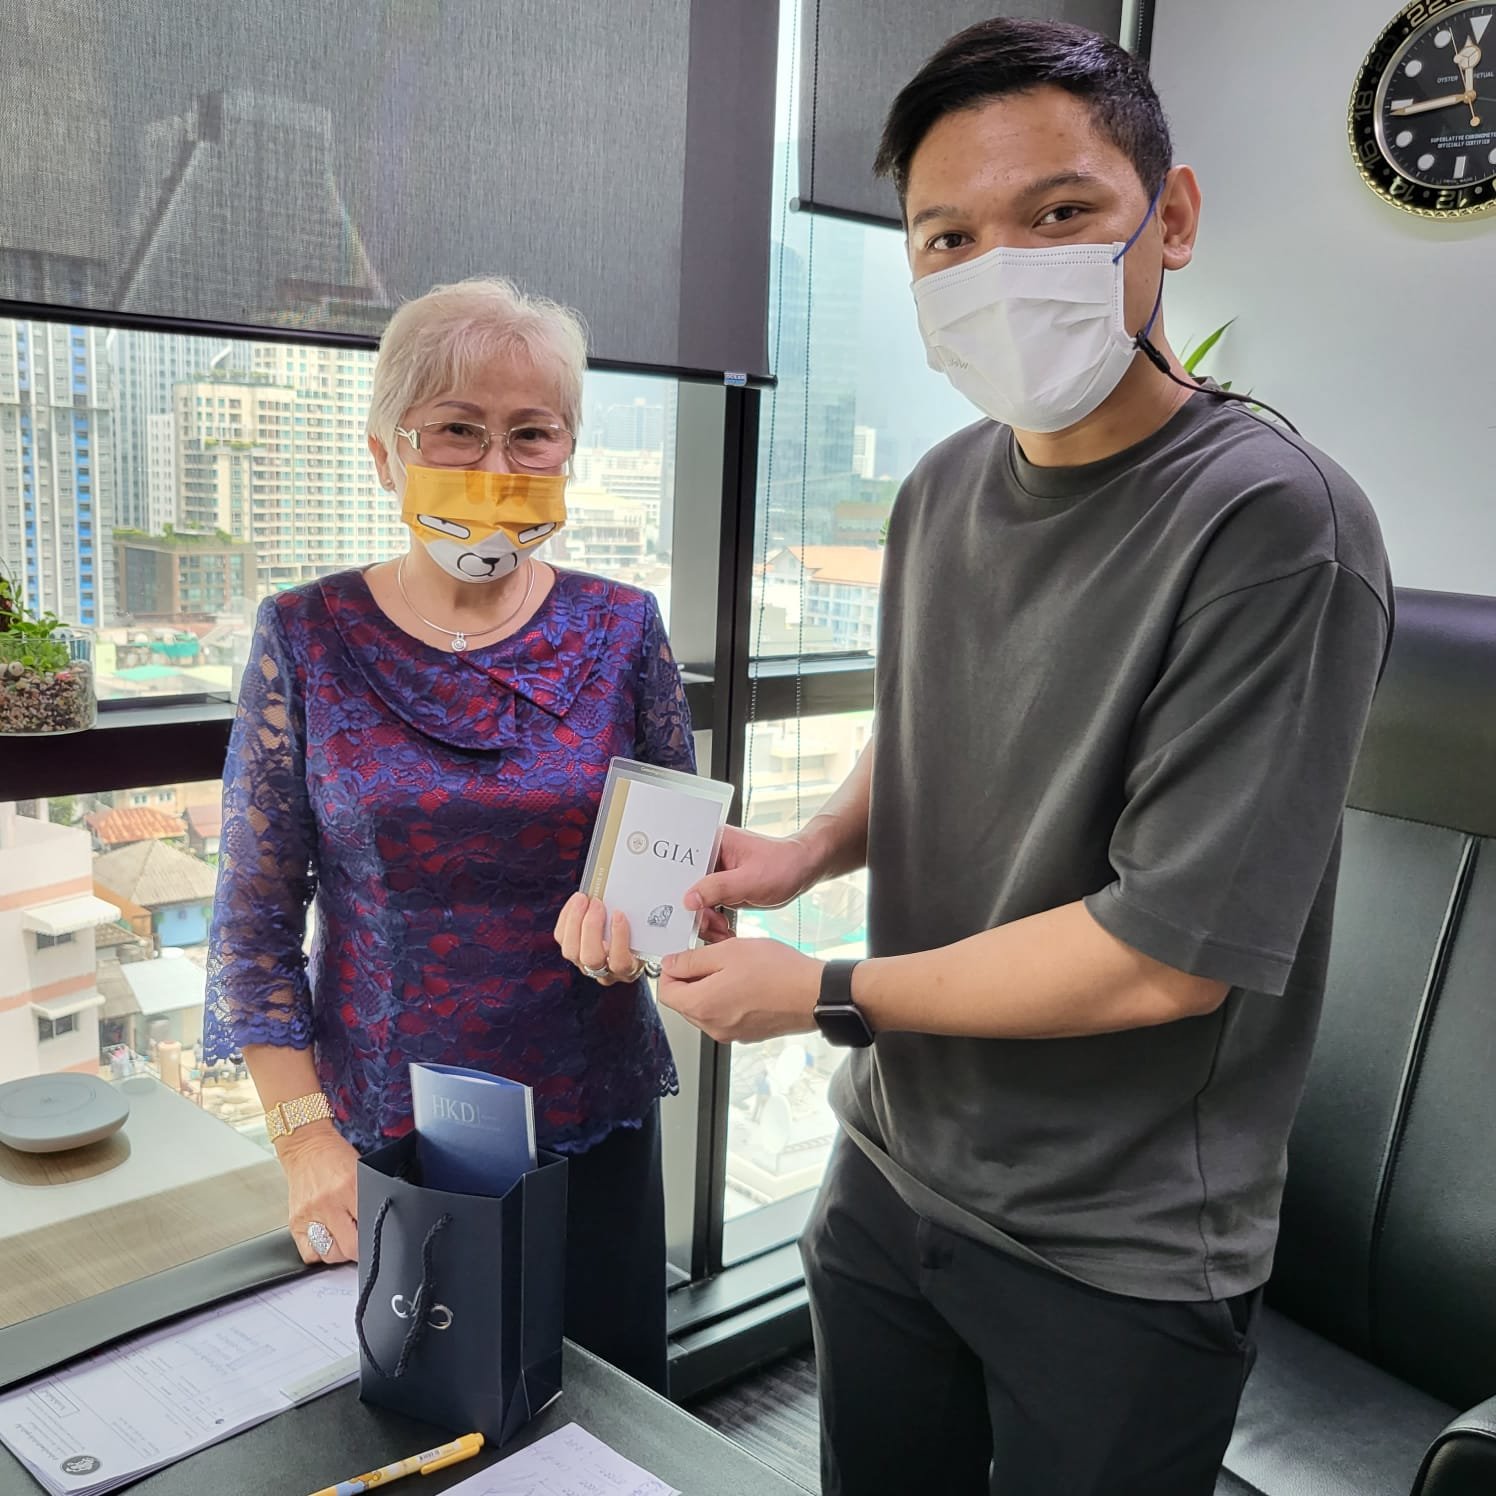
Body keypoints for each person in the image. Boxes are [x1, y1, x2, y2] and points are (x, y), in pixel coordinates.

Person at [647, 20, 1392, 1495]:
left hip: (1113, 1244)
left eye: (1058, 212)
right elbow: (930, 727)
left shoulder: (1274, 526)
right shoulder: (940, 487)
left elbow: (1163, 958)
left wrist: (824, 991)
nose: (1000, 269)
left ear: (1169, 217)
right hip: (891, 1169)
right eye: (947, 237)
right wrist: (807, 849)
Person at [204, 277, 692, 1392]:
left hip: (591, 1103)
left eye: (532, 433)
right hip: (380, 1125)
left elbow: (675, 858)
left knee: (602, 1411)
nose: (495, 464)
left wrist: (655, 932)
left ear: (568, 452)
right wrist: (303, 1140)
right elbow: (253, 919)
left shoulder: (623, 627)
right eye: (457, 430)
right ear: (386, 453)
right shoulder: (306, 633)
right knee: (417, 1410)